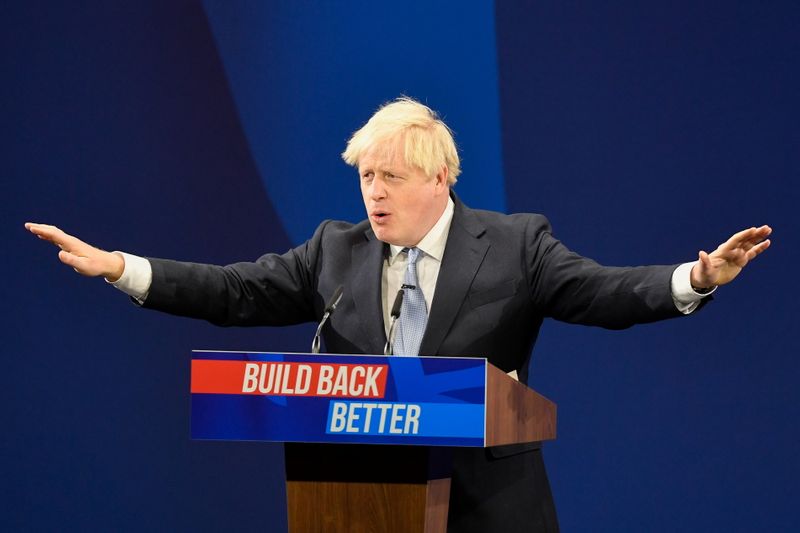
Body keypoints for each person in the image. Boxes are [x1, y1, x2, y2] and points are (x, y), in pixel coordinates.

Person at [26, 97, 771, 532]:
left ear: (441, 177)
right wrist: (123, 267)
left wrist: (694, 277)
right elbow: (234, 291)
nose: (373, 194)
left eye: (392, 176)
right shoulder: (334, 250)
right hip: (358, 505)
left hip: (489, 509)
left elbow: (604, 292)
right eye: (365, 176)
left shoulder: (516, 244)